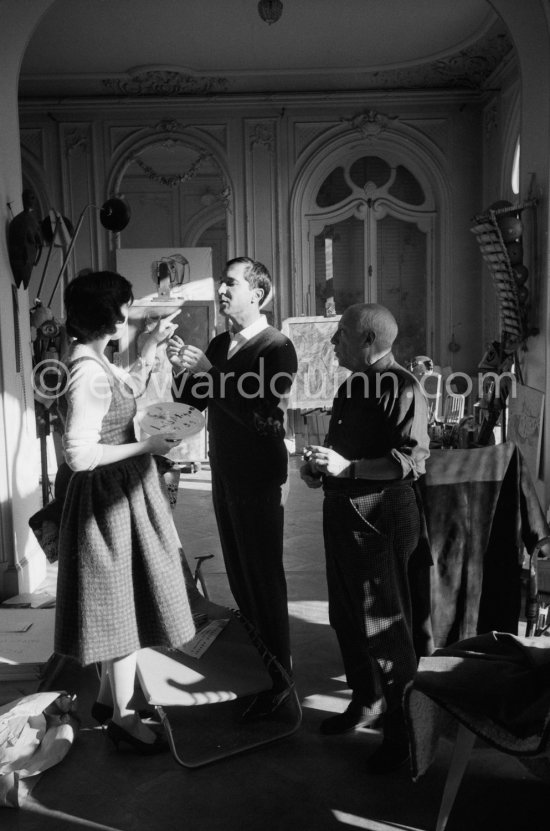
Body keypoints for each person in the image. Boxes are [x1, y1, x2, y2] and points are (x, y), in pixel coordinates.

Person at [55, 270, 196, 754]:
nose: (131, 313)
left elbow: (127, 387)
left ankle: (107, 700)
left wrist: (151, 348)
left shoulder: (96, 360)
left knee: (125, 605)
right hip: (108, 504)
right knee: (121, 614)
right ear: (111, 317)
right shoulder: (87, 372)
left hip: (121, 497)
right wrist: (146, 446)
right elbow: (80, 454)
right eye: (127, 307)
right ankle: (124, 718)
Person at [300, 303, 430, 773]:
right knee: (346, 614)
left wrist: (348, 469)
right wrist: (321, 469)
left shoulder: (402, 386)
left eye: (340, 335)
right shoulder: (354, 385)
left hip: (381, 515)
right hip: (345, 508)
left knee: (384, 625)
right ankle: (366, 699)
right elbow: (346, 452)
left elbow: (410, 461)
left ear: (368, 341)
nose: (333, 342)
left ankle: (405, 732)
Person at [167, 257, 298, 719]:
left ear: (257, 294)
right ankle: (260, 675)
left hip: (259, 476)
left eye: (230, 282)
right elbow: (194, 405)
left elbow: (265, 414)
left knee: (264, 580)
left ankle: (280, 681)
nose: (222, 289)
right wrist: (183, 371)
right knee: (242, 579)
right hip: (224, 474)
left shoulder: (277, 348)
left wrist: (209, 371)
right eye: (222, 282)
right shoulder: (221, 343)